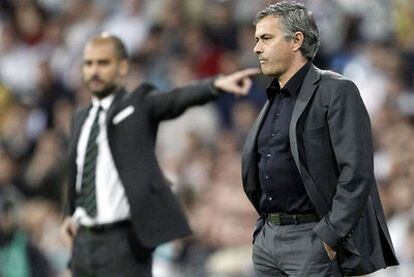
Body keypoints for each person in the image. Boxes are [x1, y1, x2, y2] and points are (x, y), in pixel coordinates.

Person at [60, 33, 259, 276]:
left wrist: (215, 85)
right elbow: (78, 170)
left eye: (103, 63)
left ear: (122, 67)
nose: (94, 71)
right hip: (85, 240)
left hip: (124, 239)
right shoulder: (80, 118)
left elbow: (174, 99)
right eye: (89, 63)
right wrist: (68, 214)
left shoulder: (138, 105)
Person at [241, 2, 399, 276]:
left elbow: (357, 172)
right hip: (268, 240)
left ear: (296, 41)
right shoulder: (271, 98)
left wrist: (329, 236)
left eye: (266, 38)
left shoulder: (335, 91)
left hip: (311, 238)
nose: (257, 48)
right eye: (257, 39)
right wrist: (262, 231)